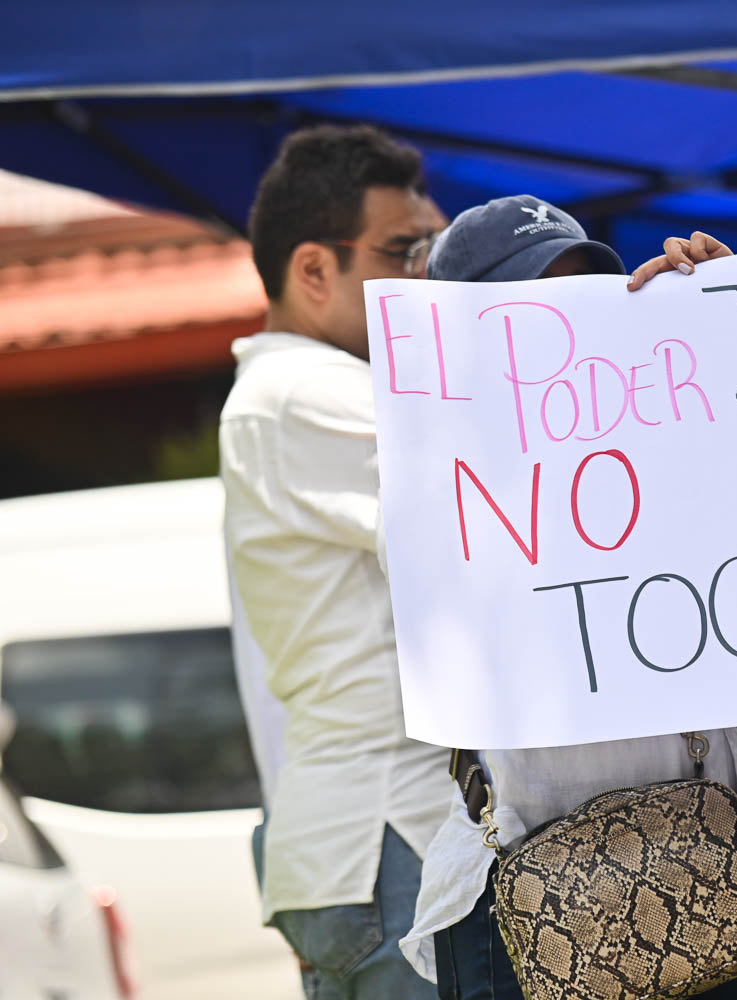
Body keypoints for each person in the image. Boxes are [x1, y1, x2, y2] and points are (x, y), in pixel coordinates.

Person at [393, 197, 737, 1000]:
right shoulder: (436, 491)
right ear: (458, 341)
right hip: (539, 911)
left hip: (717, 886)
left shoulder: (670, 444)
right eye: (537, 301)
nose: (572, 320)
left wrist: (721, 335)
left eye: (589, 292)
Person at [220, 124, 450, 999]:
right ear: (314, 270)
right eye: (407, 250)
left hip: (379, 840)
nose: (429, 272)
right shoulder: (302, 393)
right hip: (389, 838)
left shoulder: (296, 394)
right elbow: (492, 515)